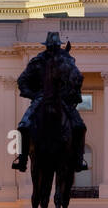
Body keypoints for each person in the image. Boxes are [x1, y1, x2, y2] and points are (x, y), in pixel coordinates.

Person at [16, 30, 88, 173]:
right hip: (41, 97)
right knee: (23, 126)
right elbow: (22, 80)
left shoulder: (66, 60)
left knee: (80, 126)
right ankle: (22, 158)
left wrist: (73, 94)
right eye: (51, 46)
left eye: (56, 46)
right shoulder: (38, 61)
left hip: (63, 99)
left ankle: (79, 159)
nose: (54, 49)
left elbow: (77, 78)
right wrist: (33, 94)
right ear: (47, 46)